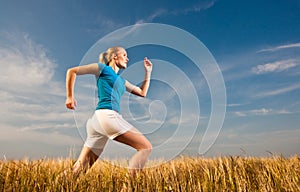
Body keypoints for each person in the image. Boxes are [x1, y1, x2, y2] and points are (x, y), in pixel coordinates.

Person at [65, 46, 153, 176]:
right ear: (114, 57)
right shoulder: (102, 69)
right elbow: (72, 71)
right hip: (107, 116)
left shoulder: (122, 81)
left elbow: (142, 92)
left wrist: (148, 72)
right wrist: (70, 96)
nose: (127, 58)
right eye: (124, 55)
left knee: (78, 170)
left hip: (97, 122)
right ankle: (128, 188)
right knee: (146, 148)